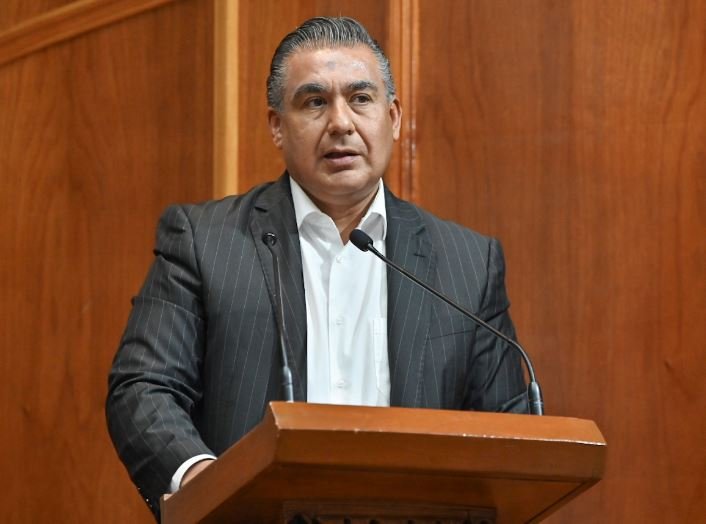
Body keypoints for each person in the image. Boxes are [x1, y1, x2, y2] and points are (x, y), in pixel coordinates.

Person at [106, 16, 527, 518]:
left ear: (393, 118)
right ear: (277, 126)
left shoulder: (468, 264)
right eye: (314, 102)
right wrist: (210, 488)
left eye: (361, 98)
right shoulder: (205, 242)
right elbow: (143, 388)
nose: (341, 123)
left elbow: (509, 430)